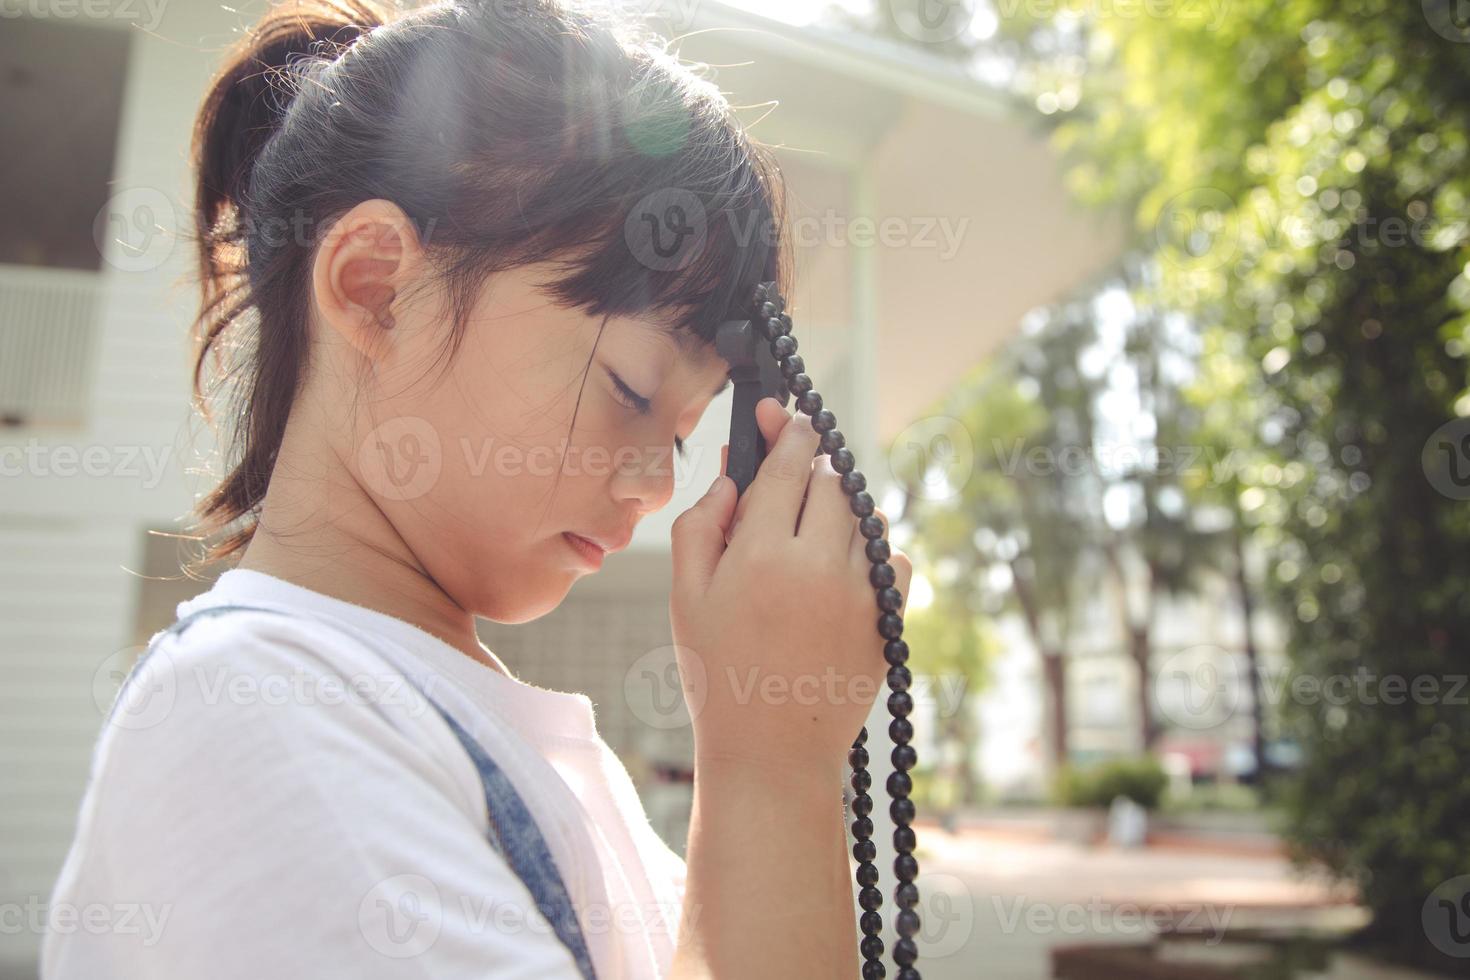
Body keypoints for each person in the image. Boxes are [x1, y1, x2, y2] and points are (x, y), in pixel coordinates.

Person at [42, 1, 911, 978]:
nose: (660, 480)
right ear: (378, 288)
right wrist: (769, 771)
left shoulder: (492, 742)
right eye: (628, 385)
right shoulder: (251, 715)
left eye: (682, 426)